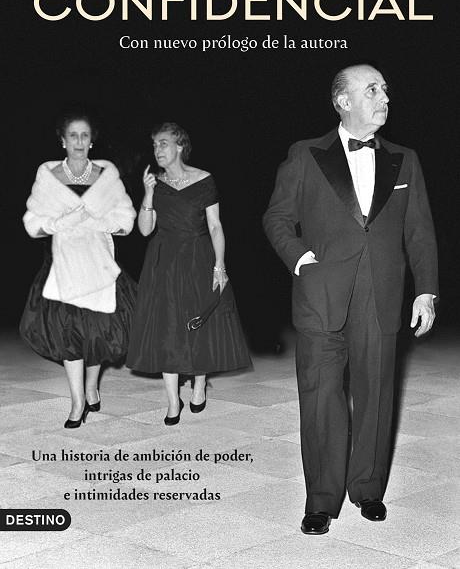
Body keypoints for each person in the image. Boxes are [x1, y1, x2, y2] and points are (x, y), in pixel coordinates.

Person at [263, 64, 438, 535]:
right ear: (343, 101)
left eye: (385, 89)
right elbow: (277, 218)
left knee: (376, 394)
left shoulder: (405, 159)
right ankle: (321, 500)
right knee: (321, 396)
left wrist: (426, 291)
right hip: (320, 294)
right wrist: (301, 260)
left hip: (380, 295)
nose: (385, 98)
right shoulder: (305, 154)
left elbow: (420, 232)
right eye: (372, 90)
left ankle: (368, 489)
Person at [126, 122, 250, 425]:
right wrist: (147, 193)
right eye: (155, 145)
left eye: (163, 143)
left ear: (180, 146)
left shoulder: (204, 179)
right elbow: (145, 230)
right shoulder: (156, 183)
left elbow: (215, 226)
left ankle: (198, 384)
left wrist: (219, 265)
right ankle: (172, 401)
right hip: (163, 262)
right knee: (166, 328)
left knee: (198, 325)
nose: (157, 150)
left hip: (198, 257)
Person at [20, 111, 137, 428]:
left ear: (92, 140)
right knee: (69, 334)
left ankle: (91, 387)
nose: (79, 141)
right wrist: (63, 222)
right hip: (63, 265)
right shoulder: (49, 176)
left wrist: (95, 221)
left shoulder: (105, 176)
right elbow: (33, 223)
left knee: (96, 334)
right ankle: (76, 402)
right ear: (62, 140)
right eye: (73, 135)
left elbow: (125, 221)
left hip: (98, 263)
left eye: (85, 135)